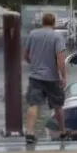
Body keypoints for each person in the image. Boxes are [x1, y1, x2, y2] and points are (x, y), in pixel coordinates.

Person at [23, 12, 69, 143]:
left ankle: (30, 133)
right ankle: (63, 132)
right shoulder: (57, 37)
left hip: (36, 77)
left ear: (42, 22)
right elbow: (60, 59)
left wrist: (34, 64)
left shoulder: (33, 34)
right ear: (54, 23)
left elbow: (25, 55)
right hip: (53, 78)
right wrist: (63, 76)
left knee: (33, 104)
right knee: (58, 106)